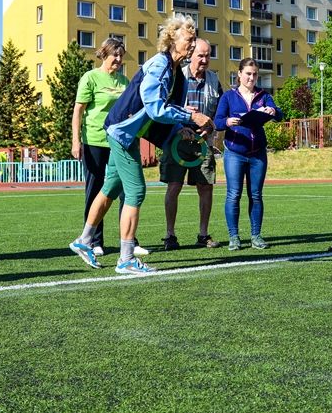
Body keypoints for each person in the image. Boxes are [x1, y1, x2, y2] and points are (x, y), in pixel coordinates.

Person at [68, 14, 213, 275]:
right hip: (122, 133)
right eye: (188, 40)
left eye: (193, 40)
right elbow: (155, 108)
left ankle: (84, 240)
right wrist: (191, 116)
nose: (192, 45)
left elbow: (166, 113)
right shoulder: (159, 65)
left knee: (110, 187)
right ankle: (125, 259)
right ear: (172, 39)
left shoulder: (177, 73)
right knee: (136, 192)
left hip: (126, 134)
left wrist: (183, 130)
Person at [72, 37, 143, 257]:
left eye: (122, 56)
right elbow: (78, 111)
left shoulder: (124, 82)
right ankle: (94, 240)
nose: (119, 60)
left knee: (124, 190)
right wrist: (76, 141)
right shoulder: (90, 78)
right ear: (104, 54)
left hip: (120, 142)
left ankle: (130, 239)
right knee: (96, 189)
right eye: (115, 55)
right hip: (94, 140)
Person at [160, 38, 222, 251]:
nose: (204, 60)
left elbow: (220, 111)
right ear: (191, 55)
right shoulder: (177, 76)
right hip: (176, 138)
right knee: (174, 186)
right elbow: (163, 107)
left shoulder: (215, 80)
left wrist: (211, 126)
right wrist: (179, 126)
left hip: (203, 142)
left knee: (206, 187)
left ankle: (203, 234)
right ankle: (170, 235)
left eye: (208, 55)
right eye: (201, 55)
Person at [215, 58, 283, 251]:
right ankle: (234, 237)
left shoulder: (264, 96)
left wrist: (272, 110)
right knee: (233, 195)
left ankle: (256, 236)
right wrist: (228, 122)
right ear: (239, 74)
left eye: (254, 74)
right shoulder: (229, 96)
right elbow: (217, 121)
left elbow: (279, 115)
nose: (251, 78)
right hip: (234, 153)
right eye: (248, 74)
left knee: (256, 195)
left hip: (258, 154)